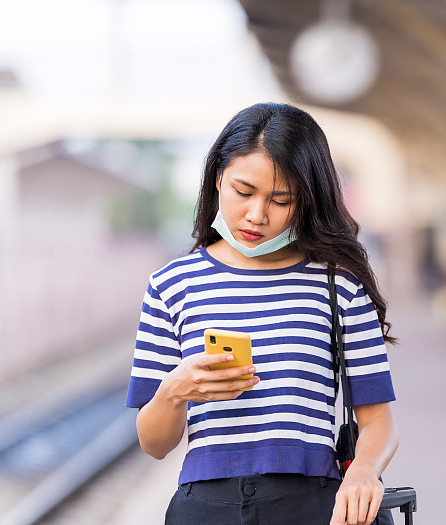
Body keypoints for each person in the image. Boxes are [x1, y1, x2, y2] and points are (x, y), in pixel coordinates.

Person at [125, 102, 399, 525]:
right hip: (205, 510)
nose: (257, 215)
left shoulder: (338, 284)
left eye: (281, 199)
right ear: (218, 177)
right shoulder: (170, 285)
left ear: (306, 200)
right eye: (243, 191)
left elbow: (379, 420)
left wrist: (363, 473)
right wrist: (174, 390)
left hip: (313, 505)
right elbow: (155, 444)